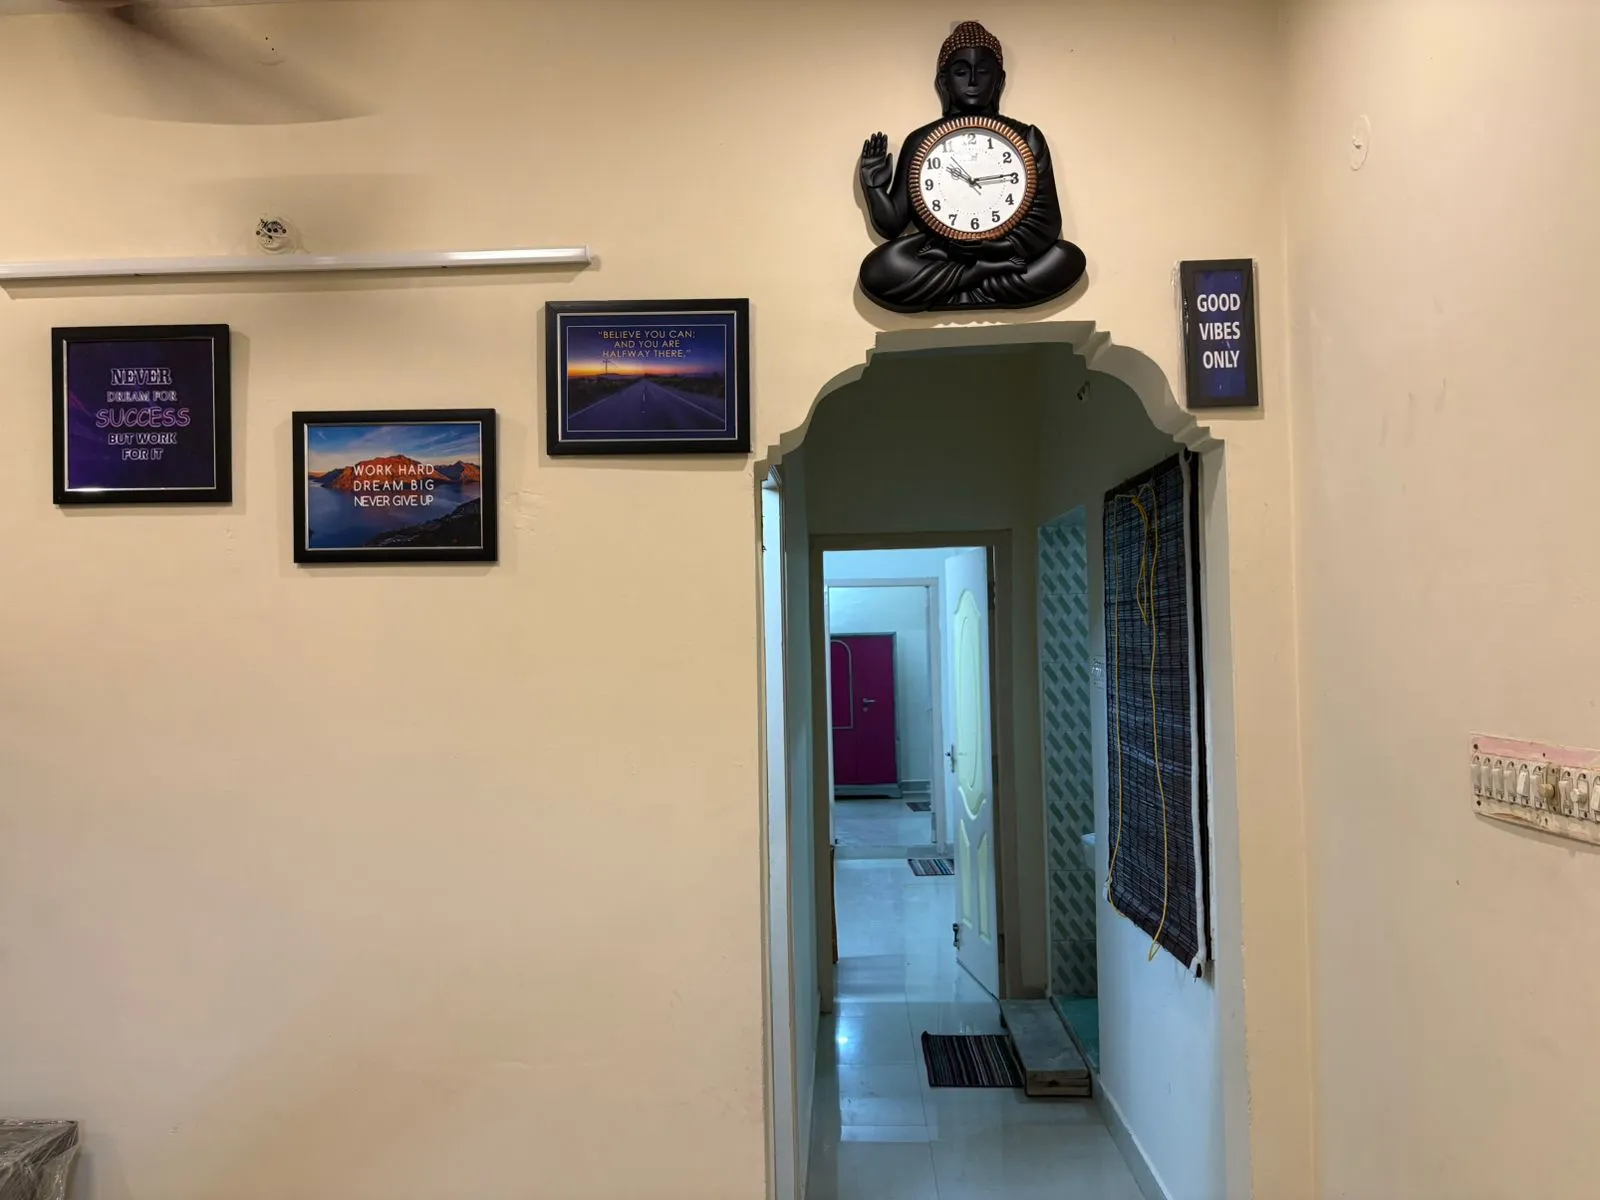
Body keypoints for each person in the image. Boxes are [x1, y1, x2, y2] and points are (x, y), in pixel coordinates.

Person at [858, 21, 1087, 313]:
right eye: (961, 72)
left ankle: (966, 278)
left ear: (999, 80)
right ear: (944, 82)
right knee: (879, 270)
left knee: (1067, 258)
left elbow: (1047, 221)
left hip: (1003, 253)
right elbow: (892, 225)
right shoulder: (921, 140)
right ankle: (979, 274)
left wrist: (998, 247)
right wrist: (875, 186)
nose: (973, 81)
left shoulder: (1027, 137)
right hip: (946, 253)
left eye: (984, 71)